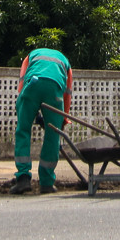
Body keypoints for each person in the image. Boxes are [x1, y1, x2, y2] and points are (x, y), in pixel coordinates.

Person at [10, 47, 72, 195]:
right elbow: (67, 93)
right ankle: (47, 183)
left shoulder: (30, 56)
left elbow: (22, 83)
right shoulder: (65, 62)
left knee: (23, 130)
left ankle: (23, 179)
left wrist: (24, 107)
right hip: (54, 90)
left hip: (32, 85)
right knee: (52, 135)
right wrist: (63, 118)